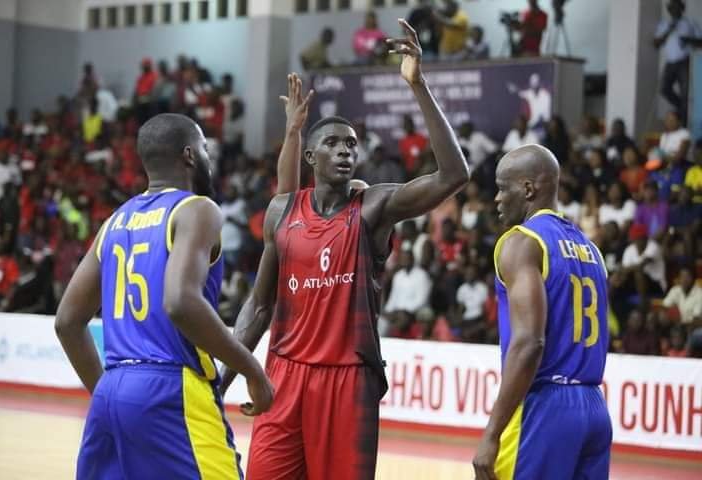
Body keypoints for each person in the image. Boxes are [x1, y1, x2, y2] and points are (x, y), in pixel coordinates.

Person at [221, 20, 470, 480]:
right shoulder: (282, 211)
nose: (345, 152)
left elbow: (453, 176)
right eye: (332, 143)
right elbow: (258, 306)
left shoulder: (373, 206)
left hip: (348, 381)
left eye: (352, 145)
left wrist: (419, 85)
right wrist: (223, 380)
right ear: (311, 157)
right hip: (285, 376)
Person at [55, 113, 273, 479]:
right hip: (171, 387)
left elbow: (66, 322)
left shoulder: (115, 221)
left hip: (113, 388)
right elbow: (180, 302)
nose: (209, 157)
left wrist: (110, 396)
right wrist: (253, 370)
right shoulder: (197, 209)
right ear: (190, 155)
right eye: (205, 149)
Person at [473, 144, 611, 480]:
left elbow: (530, 342)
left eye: (503, 188)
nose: (497, 199)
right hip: (594, 406)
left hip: (545, 407)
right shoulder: (591, 249)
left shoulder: (522, 242)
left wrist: (492, 434)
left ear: (528, 188)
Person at [653, 0, 702, 121]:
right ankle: (682, 108)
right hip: (670, 62)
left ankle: (684, 124)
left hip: (684, 62)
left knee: (684, 94)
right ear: (669, 10)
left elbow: (701, 42)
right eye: (672, 8)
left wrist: (688, 40)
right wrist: (669, 30)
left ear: (682, 9)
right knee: (664, 89)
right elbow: (656, 44)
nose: (674, 10)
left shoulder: (690, 23)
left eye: (677, 7)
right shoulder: (663, 24)